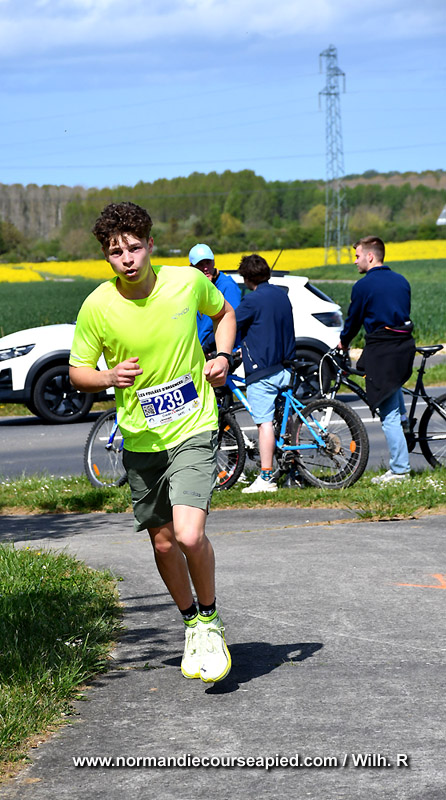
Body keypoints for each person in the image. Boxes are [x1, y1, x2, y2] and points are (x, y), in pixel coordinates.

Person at [69, 202, 236, 683]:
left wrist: (223, 356)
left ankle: (210, 619)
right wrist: (107, 376)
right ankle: (191, 624)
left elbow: (224, 312)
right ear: (106, 256)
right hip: (141, 440)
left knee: (188, 535)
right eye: (115, 252)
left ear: (150, 245)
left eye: (134, 248)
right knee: (163, 544)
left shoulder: (187, 283)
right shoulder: (98, 306)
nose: (127, 259)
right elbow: (78, 371)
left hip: (194, 426)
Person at [338, 236, 415, 484]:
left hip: (383, 351)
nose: (355, 261)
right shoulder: (401, 281)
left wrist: (344, 342)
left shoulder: (363, 286)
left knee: (387, 413)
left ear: (370, 256)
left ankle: (400, 470)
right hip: (404, 347)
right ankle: (404, 422)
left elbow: (354, 320)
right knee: (393, 391)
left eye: (357, 256)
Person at [234, 254, 296, 494]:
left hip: (263, 370)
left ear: (246, 277)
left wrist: (211, 347)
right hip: (285, 366)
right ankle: (293, 470)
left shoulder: (252, 300)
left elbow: (232, 324)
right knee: (286, 420)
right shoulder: (281, 295)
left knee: (265, 424)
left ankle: (266, 476)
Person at [189, 243, 242, 354]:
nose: (205, 268)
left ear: (213, 262)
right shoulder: (192, 287)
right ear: (192, 267)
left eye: (208, 263)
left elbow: (233, 322)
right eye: (200, 264)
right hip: (200, 355)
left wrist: (208, 348)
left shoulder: (227, 286)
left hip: (222, 354)